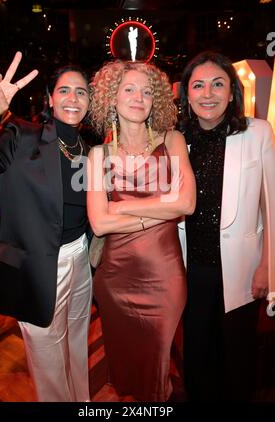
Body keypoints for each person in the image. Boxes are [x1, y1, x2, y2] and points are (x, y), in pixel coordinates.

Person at [0, 52, 92, 402]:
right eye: (65, 90)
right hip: (39, 266)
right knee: (48, 361)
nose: (73, 98)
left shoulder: (87, 146)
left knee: (77, 345)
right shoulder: (22, 135)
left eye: (82, 92)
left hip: (82, 260)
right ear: (50, 98)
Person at [87, 59, 196, 402]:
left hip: (165, 277)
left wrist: (122, 206)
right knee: (128, 368)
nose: (138, 97)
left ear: (157, 100)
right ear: (112, 98)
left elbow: (187, 204)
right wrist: (162, 208)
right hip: (116, 279)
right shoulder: (98, 154)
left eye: (147, 92)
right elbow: (100, 223)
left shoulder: (173, 141)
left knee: (159, 363)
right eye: (129, 89)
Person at [178, 51, 275, 401]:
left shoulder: (257, 133)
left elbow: (272, 206)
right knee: (198, 359)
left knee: (237, 361)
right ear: (187, 94)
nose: (208, 93)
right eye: (198, 85)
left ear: (232, 91)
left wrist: (268, 266)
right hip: (191, 270)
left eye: (218, 84)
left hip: (241, 270)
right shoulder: (177, 141)